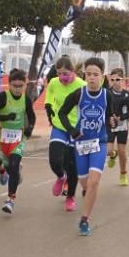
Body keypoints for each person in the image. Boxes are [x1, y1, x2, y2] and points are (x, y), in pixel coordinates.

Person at [57, 57, 111, 236]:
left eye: (96, 75)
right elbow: (62, 113)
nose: (92, 78)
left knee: (94, 182)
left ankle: (84, 219)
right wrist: (71, 130)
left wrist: (113, 122)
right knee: (86, 184)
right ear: (84, 75)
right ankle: (87, 194)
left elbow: (112, 118)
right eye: (88, 74)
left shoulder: (106, 95)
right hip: (80, 144)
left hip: (99, 144)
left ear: (102, 77)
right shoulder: (79, 94)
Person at [0, 68, 36, 214]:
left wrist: (29, 129)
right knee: (6, 165)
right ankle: (13, 171)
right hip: (2, 137)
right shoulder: (2, 97)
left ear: (25, 85)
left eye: (21, 86)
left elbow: (32, 116)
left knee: (14, 164)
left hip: (18, 138)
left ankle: (10, 200)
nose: (17, 89)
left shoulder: (26, 99)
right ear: (9, 84)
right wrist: (6, 117)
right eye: (15, 86)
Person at [44, 56, 85, 211]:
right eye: (59, 73)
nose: (62, 77)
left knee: (71, 164)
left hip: (75, 129)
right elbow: (49, 96)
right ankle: (61, 177)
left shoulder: (82, 85)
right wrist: (48, 107)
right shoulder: (54, 82)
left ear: (73, 72)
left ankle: (71, 196)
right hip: (59, 126)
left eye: (65, 73)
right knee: (55, 160)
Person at [105, 68, 129, 186]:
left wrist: (121, 118)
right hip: (110, 125)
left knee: (122, 152)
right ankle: (112, 155)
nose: (115, 81)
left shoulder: (126, 94)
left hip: (122, 126)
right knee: (108, 150)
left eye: (117, 79)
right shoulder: (107, 92)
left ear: (122, 80)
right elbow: (105, 110)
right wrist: (110, 118)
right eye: (112, 79)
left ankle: (123, 174)